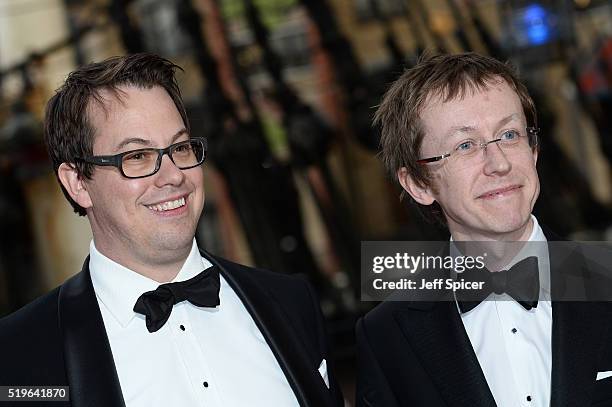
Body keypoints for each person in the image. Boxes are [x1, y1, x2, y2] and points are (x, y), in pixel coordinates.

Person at [0, 53, 343, 407]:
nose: (174, 175)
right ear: (77, 184)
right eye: (136, 157)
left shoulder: (292, 303)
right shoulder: (17, 355)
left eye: (179, 148)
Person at [356, 53, 612, 406]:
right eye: (465, 145)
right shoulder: (388, 337)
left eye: (509, 135)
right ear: (418, 183)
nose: (500, 163)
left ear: (533, 149)